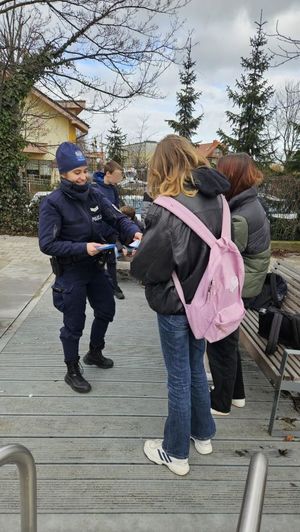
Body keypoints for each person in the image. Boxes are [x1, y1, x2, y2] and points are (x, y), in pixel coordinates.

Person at [131, 134, 231, 476]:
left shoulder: (166, 206)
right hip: (207, 299)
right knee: (195, 370)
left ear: (162, 165)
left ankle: (175, 452)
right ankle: (203, 435)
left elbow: (148, 267)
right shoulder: (218, 200)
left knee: (179, 376)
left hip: (176, 304)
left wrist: (139, 250)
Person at [39, 142, 142, 394]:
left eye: (84, 170)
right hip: (71, 272)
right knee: (74, 324)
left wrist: (134, 233)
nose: (83, 176)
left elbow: (117, 218)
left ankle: (94, 352)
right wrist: (82, 248)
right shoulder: (53, 203)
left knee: (106, 310)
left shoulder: (94, 194)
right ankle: (72, 369)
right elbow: (47, 244)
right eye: (76, 172)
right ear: (63, 173)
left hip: (96, 268)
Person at [206, 153, 271, 416]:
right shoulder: (247, 203)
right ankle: (236, 394)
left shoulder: (240, 215)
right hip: (247, 282)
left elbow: (226, 254)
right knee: (228, 340)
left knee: (220, 341)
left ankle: (220, 403)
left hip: (239, 287)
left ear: (231, 177)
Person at [93, 160, 126, 300]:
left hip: (110, 230)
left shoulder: (113, 189)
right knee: (97, 259)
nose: (118, 180)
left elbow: (116, 210)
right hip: (98, 230)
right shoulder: (93, 188)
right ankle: (96, 286)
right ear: (107, 174)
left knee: (112, 260)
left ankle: (114, 286)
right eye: (117, 176)